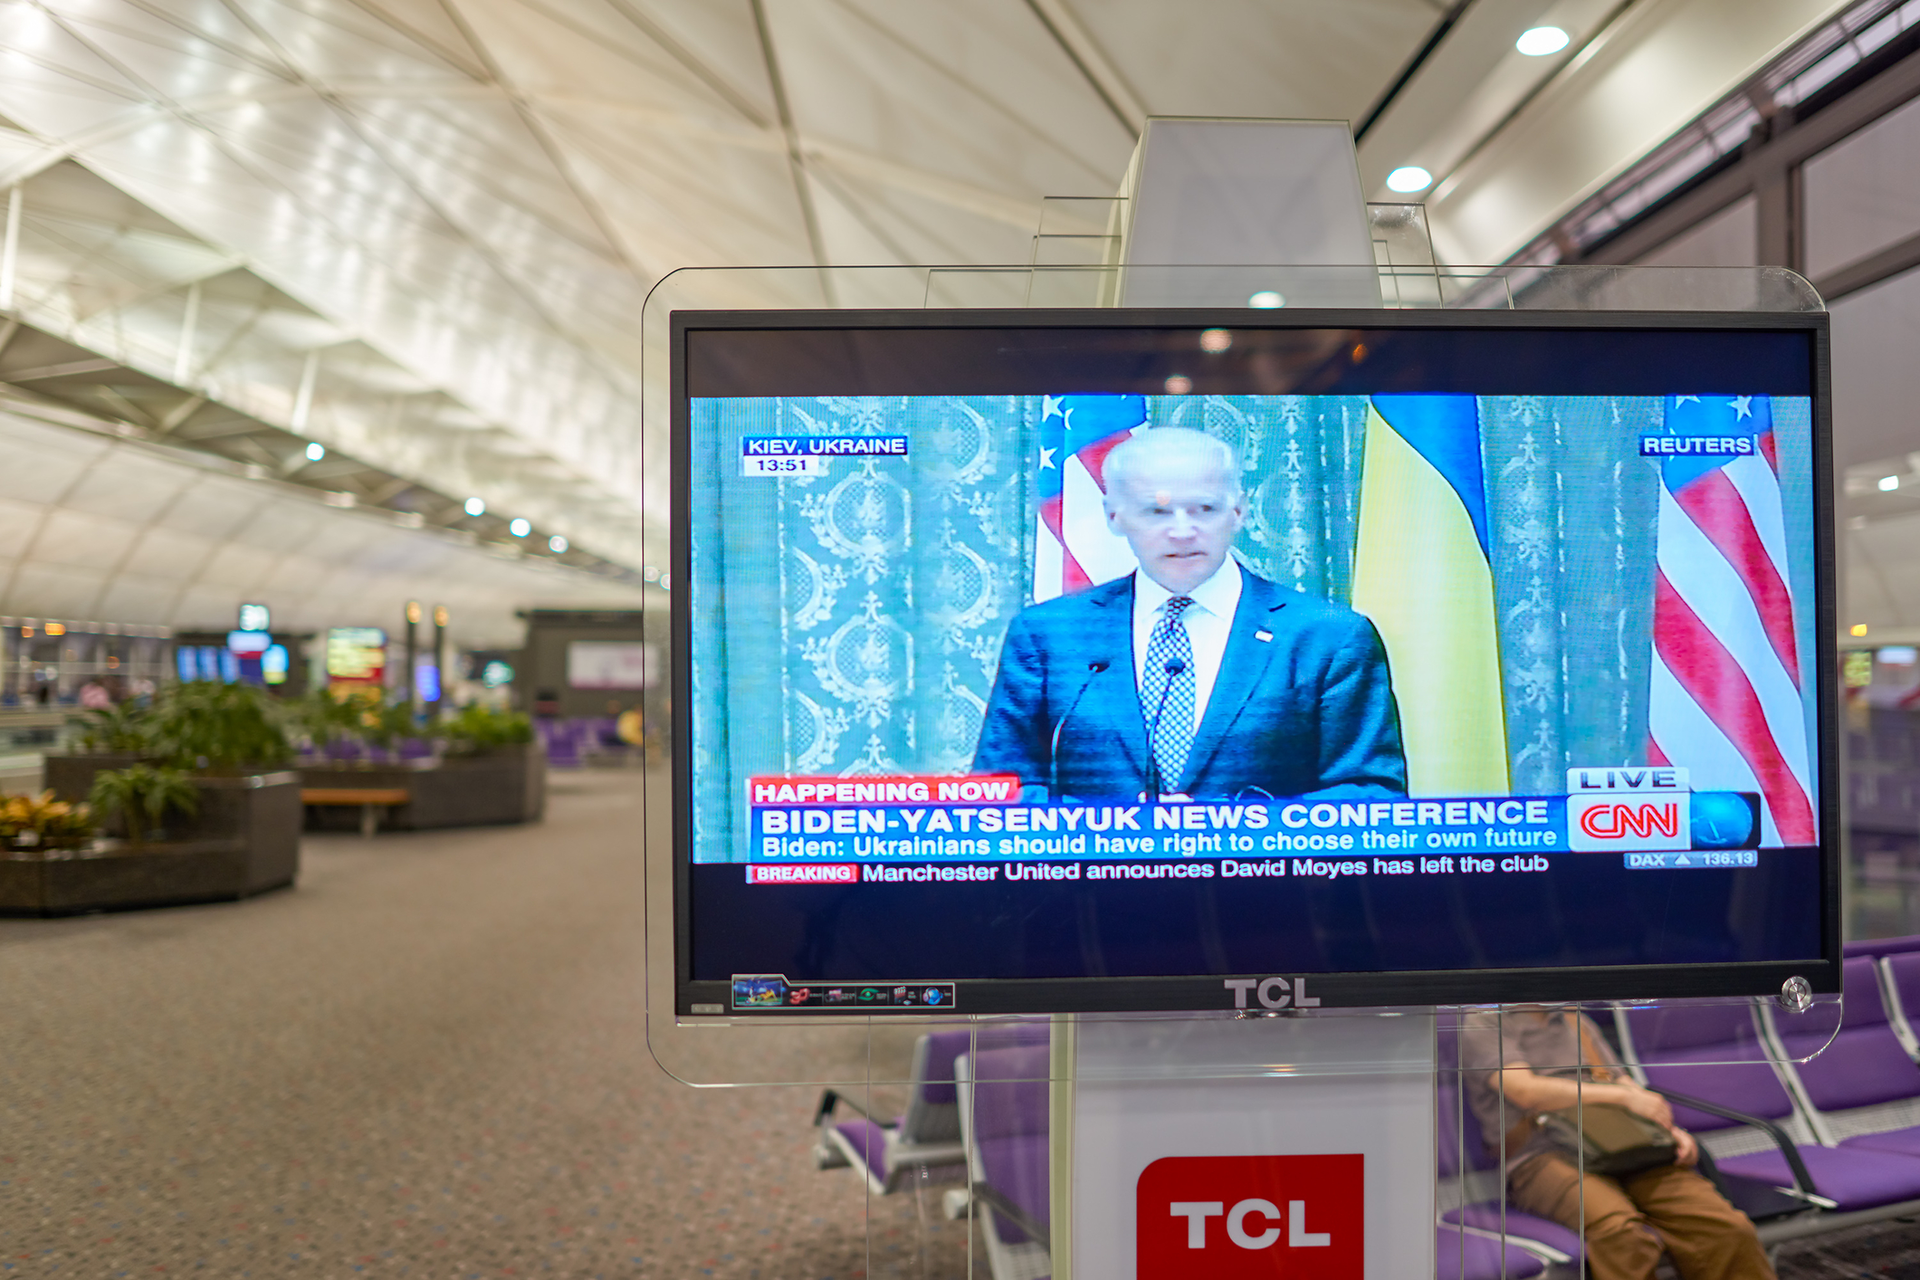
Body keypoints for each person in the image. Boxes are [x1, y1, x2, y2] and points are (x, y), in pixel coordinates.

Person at [973, 426, 1405, 801]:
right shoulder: (1050, 635)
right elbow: (1000, 789)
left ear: (1239, 512)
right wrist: (1118, 829)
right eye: (1157, 511)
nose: (1182, 531)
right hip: (1094, 889)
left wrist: (1235, 827)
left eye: (1204, 508)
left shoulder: (1326, 638)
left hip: (1269, 887)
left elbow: (1370, 792)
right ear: (1114, 516)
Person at [1459, 1006, 1775, 1280]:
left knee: (1725, 1228)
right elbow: (1524, 1091)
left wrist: (1667, 1130)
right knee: (1620, 1232)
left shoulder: (1574, 1019)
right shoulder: (1485, 1022)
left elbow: (1623, 1083)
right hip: (1542, 1155)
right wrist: (1622, 1097)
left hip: (1621, 1145)